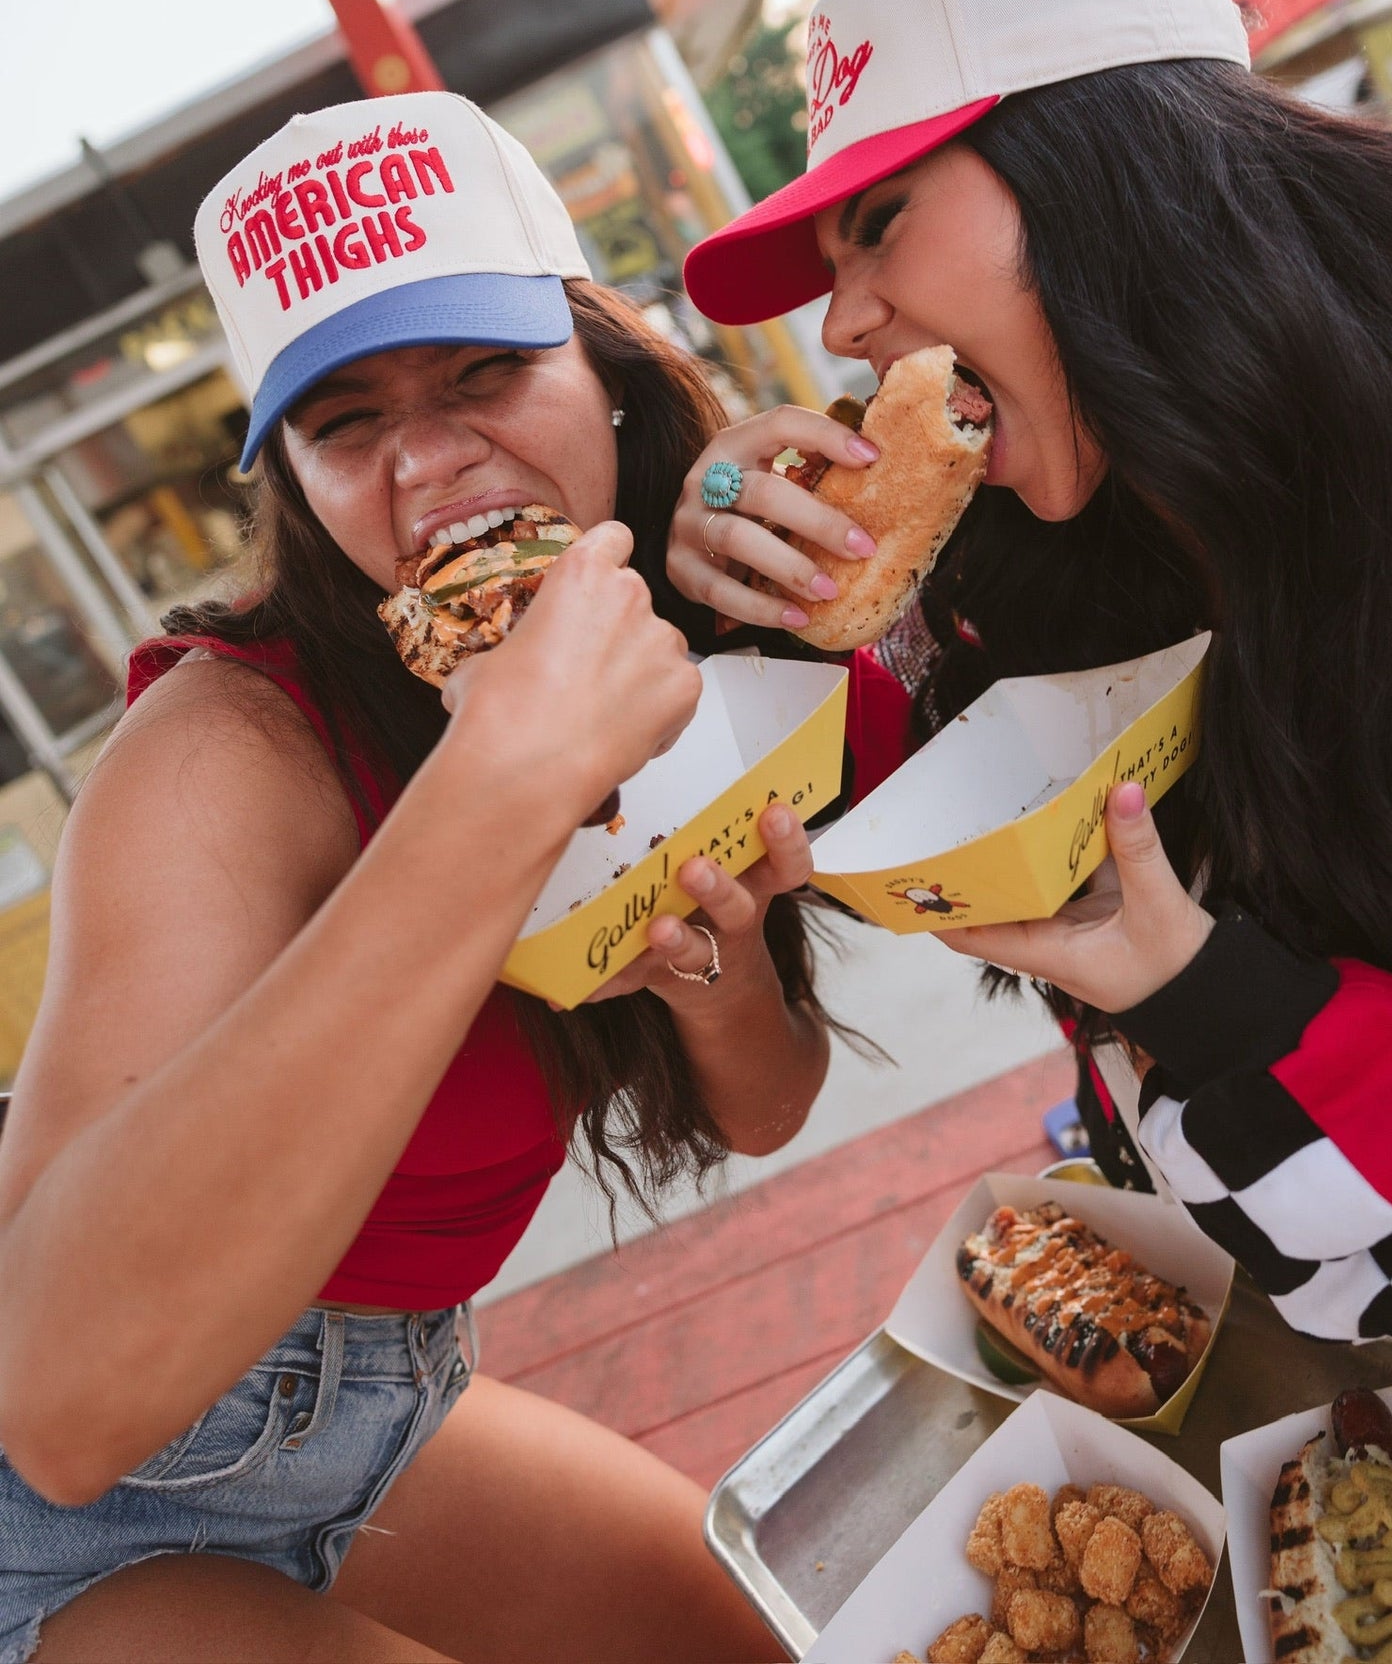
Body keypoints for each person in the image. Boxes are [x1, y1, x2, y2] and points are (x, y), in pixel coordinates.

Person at [0, 94, 831, 1664]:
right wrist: (498, 782)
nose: (434, 462)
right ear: (294, 482)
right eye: (343, 423)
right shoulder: (229, 746)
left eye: (484, 374)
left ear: (602, 368)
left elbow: (764, 1106)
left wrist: (702, 961)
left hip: (387, 1405)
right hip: (60, 1507)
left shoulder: (671, 648)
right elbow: (57, 1402)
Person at [671, 0, 1392, 1364]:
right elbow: (892, 800)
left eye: (879, 225)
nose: (839, 328)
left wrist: (1215, 1009)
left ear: (1117, 170)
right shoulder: (1089, 539)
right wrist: (755, 584)